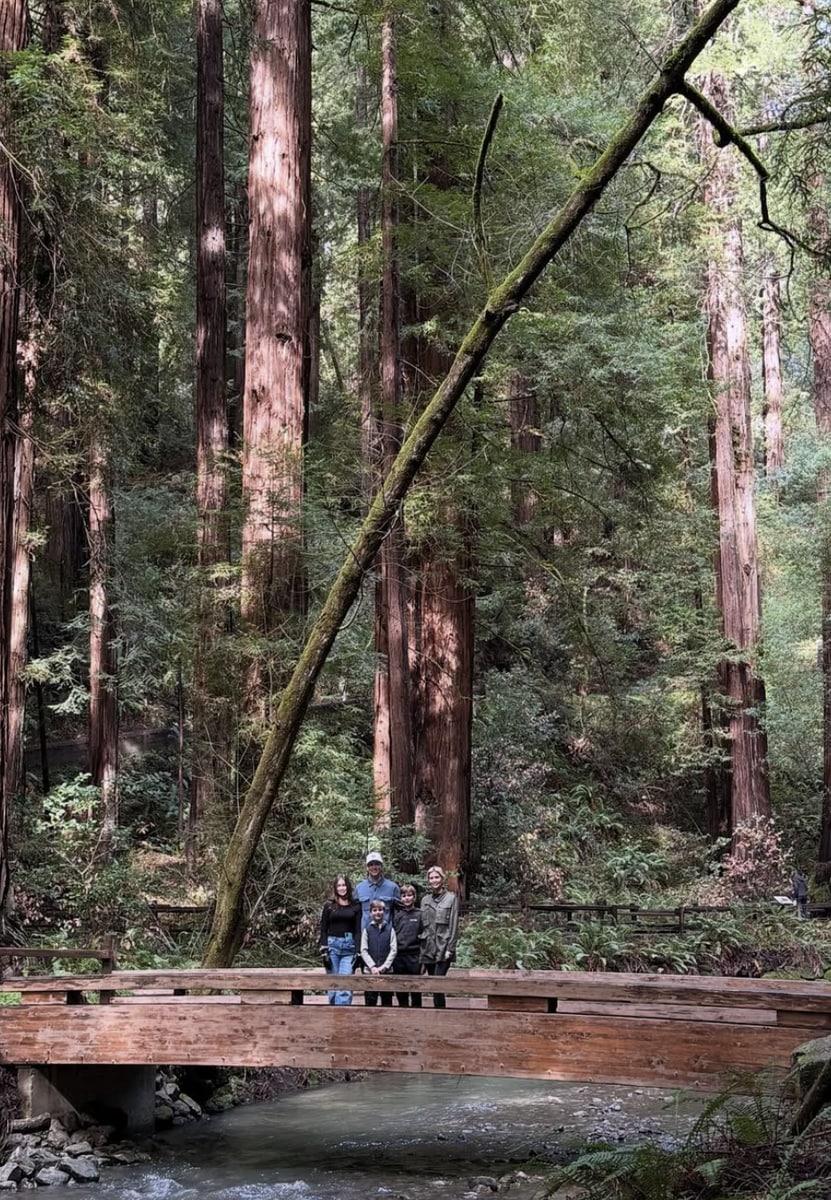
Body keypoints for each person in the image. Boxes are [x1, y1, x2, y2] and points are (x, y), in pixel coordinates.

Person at [318, 874, 361, 1005]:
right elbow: (323, 928)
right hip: (332, 947)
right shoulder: (329, 906)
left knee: (345, 986)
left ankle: (341, 1017)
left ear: (348, 886)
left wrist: (358, 952)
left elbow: (358, 930)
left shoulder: (356, 906)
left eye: (344, 885)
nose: (342, 888)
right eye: (339, 885)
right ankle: (333, 1015)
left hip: (349, 948)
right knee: (333, 986)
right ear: (335, 888)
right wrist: (324, 949)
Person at [420, 866, 459, 1010]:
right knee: (433, 984)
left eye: (437, 877)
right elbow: (422, 927)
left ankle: (441, 1013)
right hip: (429, 949)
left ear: (442, 879)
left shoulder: (451, 898)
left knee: (438, 983)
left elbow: (454, 924)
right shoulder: (424, 900)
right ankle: (437, 1013)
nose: (434, 880)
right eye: (431, 878)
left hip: (443, 949)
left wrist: (451, 948)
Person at [360, 899, 397, 1007]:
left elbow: (393, 949)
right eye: (374, 910)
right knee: (370, 1001)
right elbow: (363, 949)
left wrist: (385, 966)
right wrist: (372, 967)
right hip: (370, 972)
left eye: (380, 910)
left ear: (384, 912)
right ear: (370, 912)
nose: (377, 912)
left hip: (387, 972)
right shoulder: (367, 930)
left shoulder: (390, 929)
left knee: (387, 1001)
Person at [392, 884, 423, 1008]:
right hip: (399, 956)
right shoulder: (397, 915)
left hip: (414, 956)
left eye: (409, 895)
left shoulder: (420, 914)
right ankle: (403, 1012)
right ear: (400, 898)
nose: (407, 898)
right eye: (404, 896)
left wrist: (423, 960)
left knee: (416, 989)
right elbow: (393, 935)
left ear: (414, 897)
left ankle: (417, 1014)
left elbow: (424, 936)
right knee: (401, 988)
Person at [355, 850, 400, 928]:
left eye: (377, 864)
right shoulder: (359, 888)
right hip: (366, 935)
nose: (374, 867)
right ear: (367, 868)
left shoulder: (392, 887)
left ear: (381, 866)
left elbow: (399, 913)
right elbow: (355, 913)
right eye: (371, 865)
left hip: (386, 934)